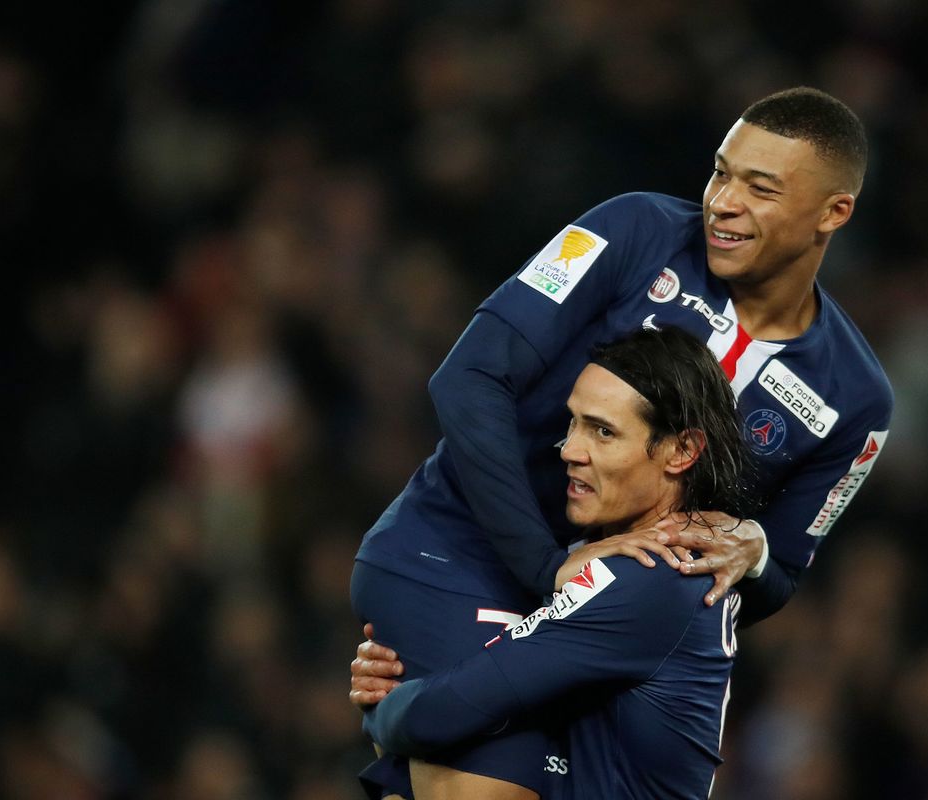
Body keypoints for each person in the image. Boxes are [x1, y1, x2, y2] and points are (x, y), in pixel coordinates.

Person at [351, 86, 893, 798]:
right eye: (720, 173)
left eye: (760, 189)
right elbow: (468, 378)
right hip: (460, 553)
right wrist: (549, 566)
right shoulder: (633, 230)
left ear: (834, 212)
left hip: (599, 622)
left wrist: (752, 549)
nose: (723, 203)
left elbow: (778, 573)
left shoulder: (854, 401)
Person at [360, 325, 750, 799]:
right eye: (573, 423)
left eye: (603, 432)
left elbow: (441, 711)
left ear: (682, 451)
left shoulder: (654, 579)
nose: (569, 450)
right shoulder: (643, 565)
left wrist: (382, 706)